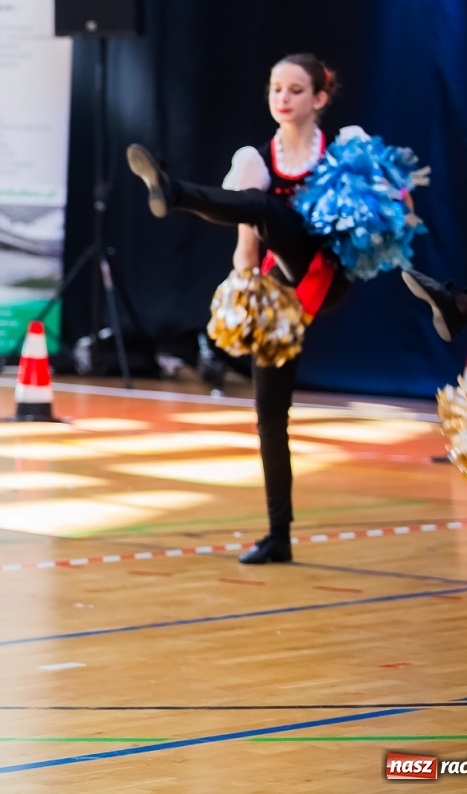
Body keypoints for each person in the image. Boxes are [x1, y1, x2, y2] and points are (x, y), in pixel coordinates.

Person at [126, 54, 355, 566]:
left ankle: (174, 190)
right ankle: (279, 535)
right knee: (270, 413)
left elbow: (385, 210)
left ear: (319, 98)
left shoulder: (343, 153)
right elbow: (246, 247)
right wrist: (245, 294)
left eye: (296, 90)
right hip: (283, 289)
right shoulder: (258, 159)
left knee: (265, 206)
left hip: (328, 272)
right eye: (276, 88)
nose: (283, 98)